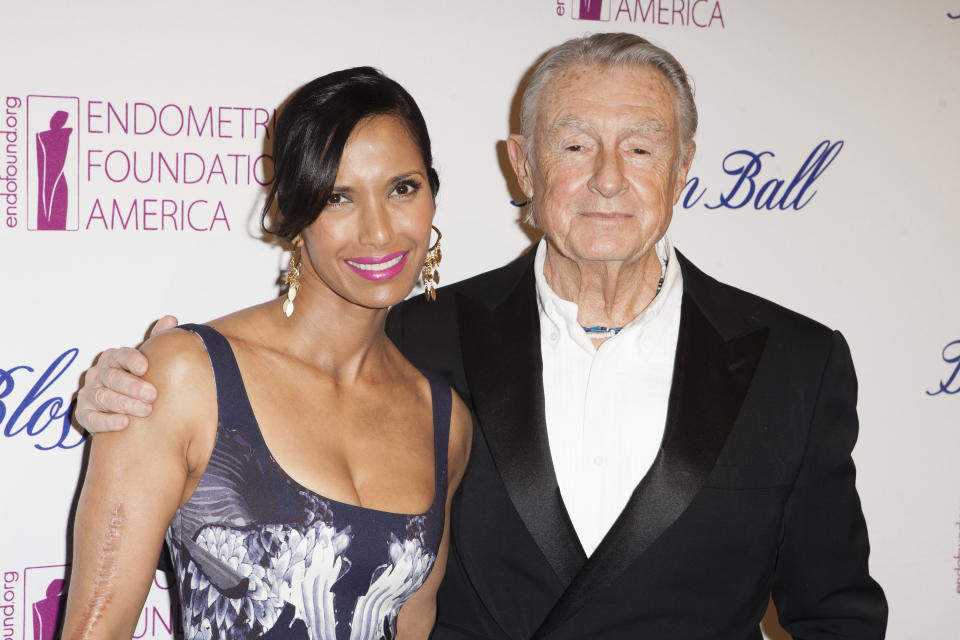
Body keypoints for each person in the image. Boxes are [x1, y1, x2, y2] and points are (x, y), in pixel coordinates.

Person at [76, 34, 887, 639]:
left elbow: (836, 617)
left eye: (641, 147)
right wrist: (123, 390)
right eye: (574, 146)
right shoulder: (417, 341)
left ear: (684, 167)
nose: (609, 178)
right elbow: (247, 407)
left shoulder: (797, 366)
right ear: (523, 167)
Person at [62, 67, 471, 640]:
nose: (379, 231)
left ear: (431, 193)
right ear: (293, 214)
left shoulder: (444, 421)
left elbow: (414, 624)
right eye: (338, 196)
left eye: (402, 188)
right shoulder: (185, 377)